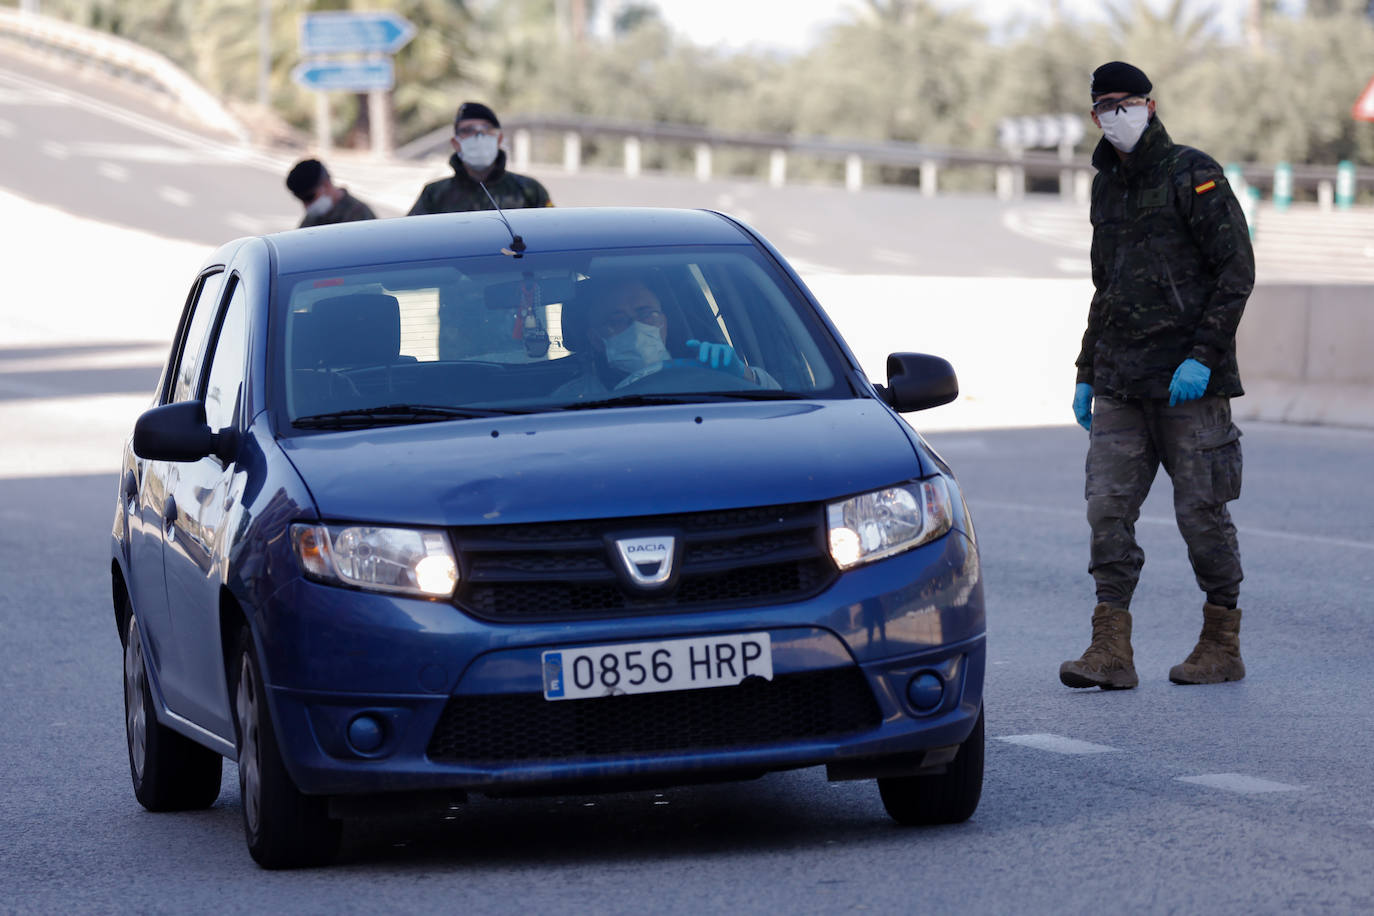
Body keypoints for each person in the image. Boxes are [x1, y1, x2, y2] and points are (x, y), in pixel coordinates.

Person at [1060, 61, 1254, 691]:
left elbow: (1235, 271)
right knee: (1106, 510)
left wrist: (1202, 356)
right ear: (1094, 116)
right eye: (1105, 105)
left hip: (1187, 385)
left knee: (1202, 515)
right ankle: (1110, 649)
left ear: (1149, 103)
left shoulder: (1193, 173)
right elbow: (1104, 287)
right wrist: (1087, 371)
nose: (1117, 113)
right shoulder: (1104, 187)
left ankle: (1221, 641)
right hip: (1120, 381)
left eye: (1127, 101)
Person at [553, 277, 779, 400]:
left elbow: (782, 411)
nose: (637, 327)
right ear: (595, 339)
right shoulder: (573, 398)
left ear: (664, 322)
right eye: (618, 319)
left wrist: (745, 377)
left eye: (647, 313)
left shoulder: (709, 374)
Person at [407, 101, 553, 215]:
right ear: (456, 143)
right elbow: (409, 238)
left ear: (499, 139)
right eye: (468, 130)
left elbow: (553, 234)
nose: (479, 136)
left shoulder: (529, 190)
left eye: (486, 129)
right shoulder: (434, 194)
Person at [284, 159, 376, 228]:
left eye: (309, 197)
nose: (306, 206)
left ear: (326, 184)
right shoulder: (312, 219)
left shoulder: (360, 216)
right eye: (301, 200)